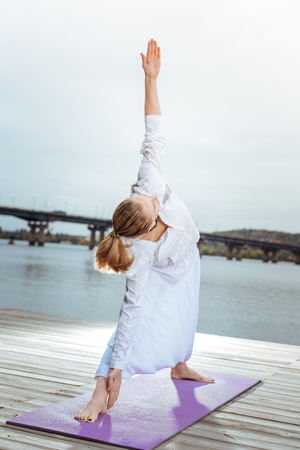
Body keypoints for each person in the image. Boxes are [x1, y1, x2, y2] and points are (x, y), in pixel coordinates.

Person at [74, 38, 214, 424]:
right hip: (163, 269)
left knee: (187, 316)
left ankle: (180, 365)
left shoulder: (146, 181)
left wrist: (151, 79)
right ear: (148, 224)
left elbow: (154, 130)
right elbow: (130, 312)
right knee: (131, 327)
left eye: (148, 196)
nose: (155, 197)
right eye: (153, 202)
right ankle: (100, 390)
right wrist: (115, 367)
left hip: (189, 260)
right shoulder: (139, 255)